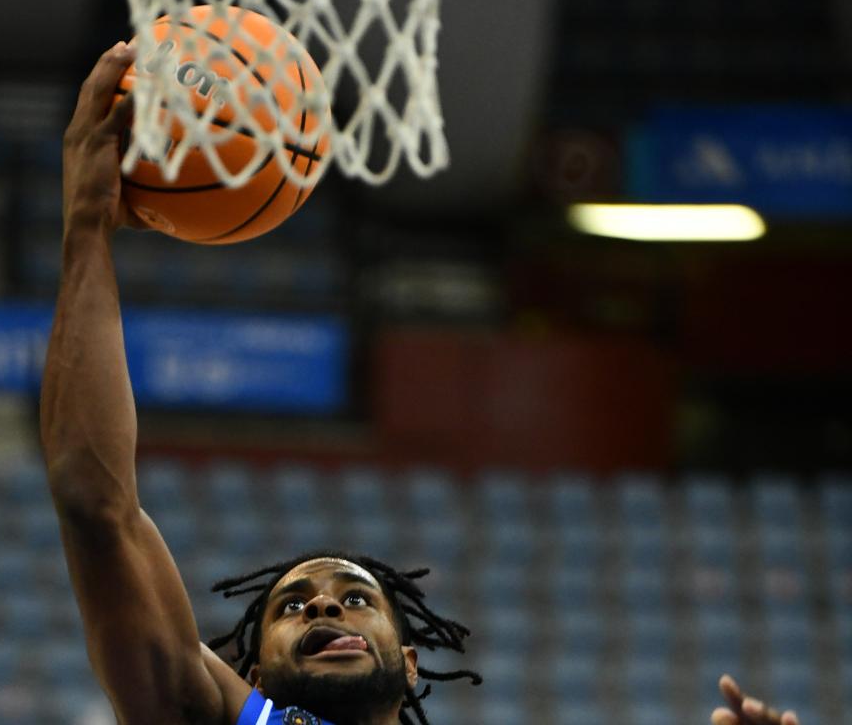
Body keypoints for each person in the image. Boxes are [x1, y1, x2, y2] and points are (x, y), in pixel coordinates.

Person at [40, 42, 804, 725]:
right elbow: (95, 505)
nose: (326, 604)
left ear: (409, 664)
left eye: (356, 597)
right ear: (256, 674)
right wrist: (85, 228)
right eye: (295, 606)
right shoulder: (214, 714)